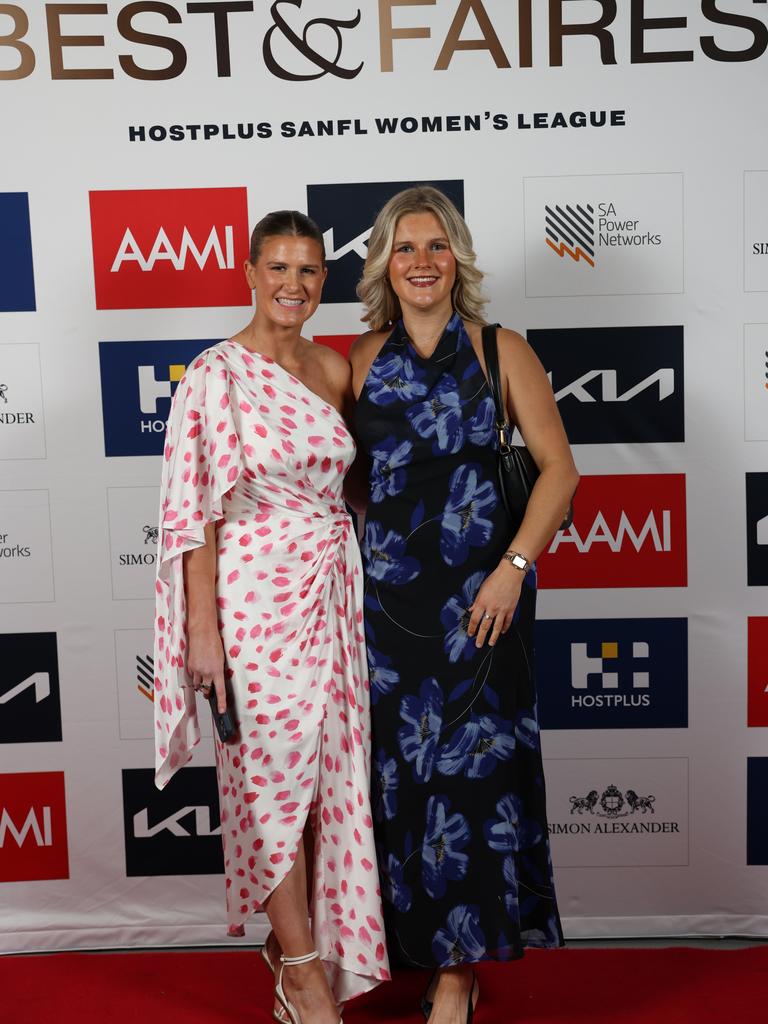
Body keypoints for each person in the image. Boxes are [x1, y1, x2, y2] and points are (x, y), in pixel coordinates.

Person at [153, 210, 389, 1024]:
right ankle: (301, 971)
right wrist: (204, 633)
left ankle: (303, 944)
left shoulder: (332, 368)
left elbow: (355, 487)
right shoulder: (215, 374)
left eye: (309, 271)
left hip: (332, 592)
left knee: (330, 784)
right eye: (278, 268)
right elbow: (194, 518)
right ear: (250, 273)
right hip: (252, 600)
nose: (294, 284)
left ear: (325, 281)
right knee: (269, 785)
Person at [350, 187, 578, 1024]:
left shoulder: (497, 347)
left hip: (484, 603)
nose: (421, 261)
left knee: (476, 782)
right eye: (404, 247)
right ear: (383, 262)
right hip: (388, 611)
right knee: (403, 782)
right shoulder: (362, 357)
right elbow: (343, 481)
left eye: (436, 246)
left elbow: (560, 471)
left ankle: (459, 971)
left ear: (458, 260)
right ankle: (415, 946)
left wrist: (514, 567)